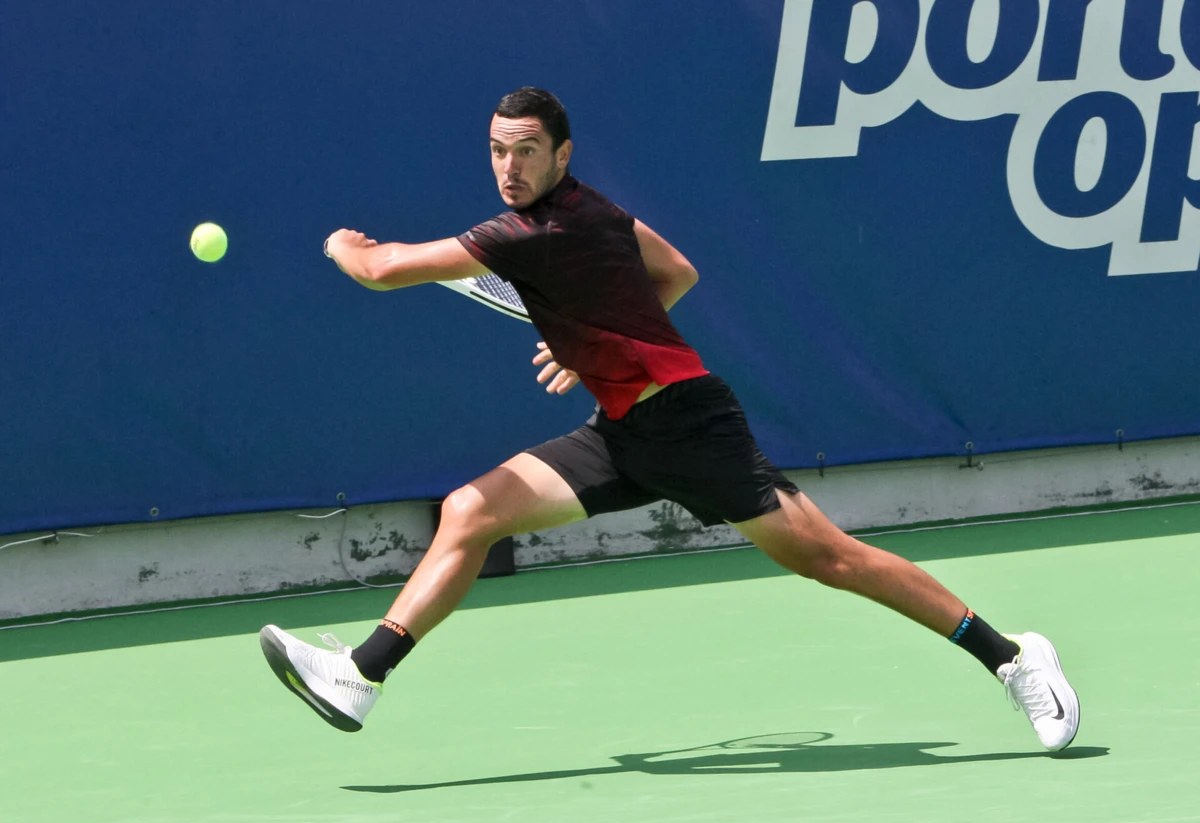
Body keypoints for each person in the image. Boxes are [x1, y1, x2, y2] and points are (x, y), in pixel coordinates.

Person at [260, 87, 1079, 751]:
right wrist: (602, 348)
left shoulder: (528, 234)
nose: (509, 167)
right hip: (621, 431)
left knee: (831, 560)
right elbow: (675, 272)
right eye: (497, 151)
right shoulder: (598, 211)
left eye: (527, 151)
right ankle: (360, 675)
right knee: (472, 511)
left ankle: (1011, 658)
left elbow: (381, 269)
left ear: (562, 154)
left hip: (691, 428)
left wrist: (341, 243)